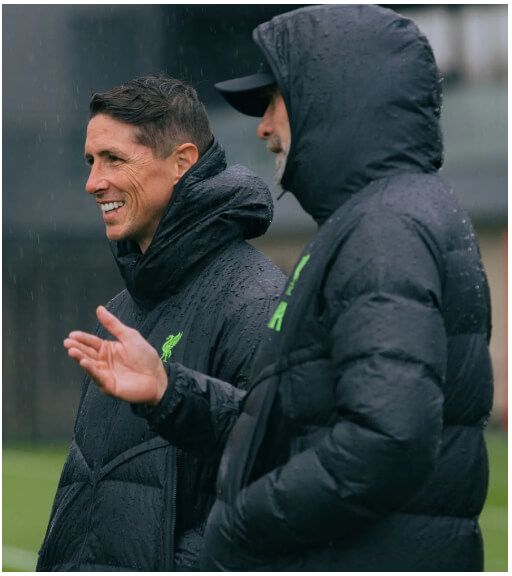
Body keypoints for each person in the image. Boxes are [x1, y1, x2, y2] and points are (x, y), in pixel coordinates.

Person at [65, 5, 493, 571]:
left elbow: (387, 442)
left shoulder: (386, 227)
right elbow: (295, 429)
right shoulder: (378, 218)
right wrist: (170, 391)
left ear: (333, 98)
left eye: (273, 100)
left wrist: (240, 520)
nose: (262, 126)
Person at [35, 74, 285, 571]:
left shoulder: (256, 300)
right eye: (90, 161)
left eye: (114, 159)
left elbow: (265, 493)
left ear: (182, 163)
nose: (92, 182)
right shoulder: (120, 311)